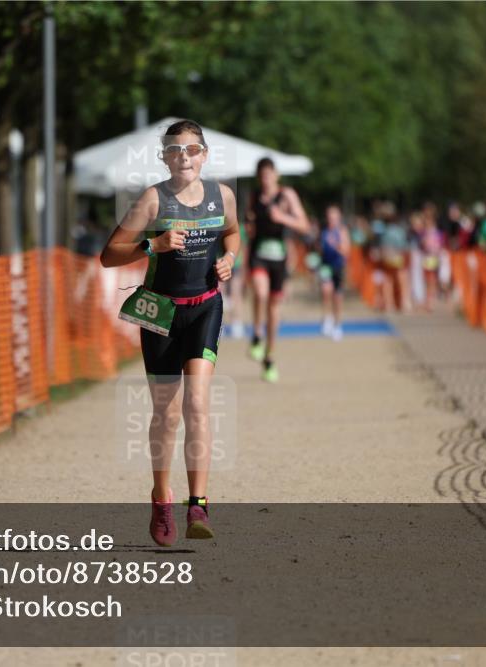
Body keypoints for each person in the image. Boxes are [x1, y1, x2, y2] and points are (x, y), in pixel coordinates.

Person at [100, 119, 240, 547]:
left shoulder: (223, 196)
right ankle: (162, 499)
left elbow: (232, 233)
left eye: (192, 150)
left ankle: (199, 503)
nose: (185, 158)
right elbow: (108, 255)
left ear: (205, 155)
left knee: (198, 402)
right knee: (168, 412)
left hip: (204, 307)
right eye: (176, 151)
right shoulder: (151, 200)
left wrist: (229, 259)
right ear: (164, 157)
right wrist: (151, 246)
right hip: (159, 311)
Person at [245, 157, 311, 382]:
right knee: (260, 293)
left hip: (279, 257)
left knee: (274, 307)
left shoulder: (287, 195)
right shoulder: (254, 197)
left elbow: (304, 225)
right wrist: (249, 225)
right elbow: (249, 223)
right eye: (262, 176)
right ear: (258, 177)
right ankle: (256, 334)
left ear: (276, 175)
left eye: (269, 175)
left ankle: (269, 356)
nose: (266, 180)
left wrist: (282, 217)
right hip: (258, 255)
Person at [319, 204, 351, 340]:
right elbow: (320, 248)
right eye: (329, 216)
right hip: (325, 265)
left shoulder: (342, 231)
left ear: (338, 218)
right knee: (326, 291)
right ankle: (328, 318)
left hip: (338, 265)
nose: (331, 219)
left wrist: (336, 245)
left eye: (334, 217)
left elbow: (346, 250)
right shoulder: (324, 231)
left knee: (337, 296)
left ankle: (338, 324)